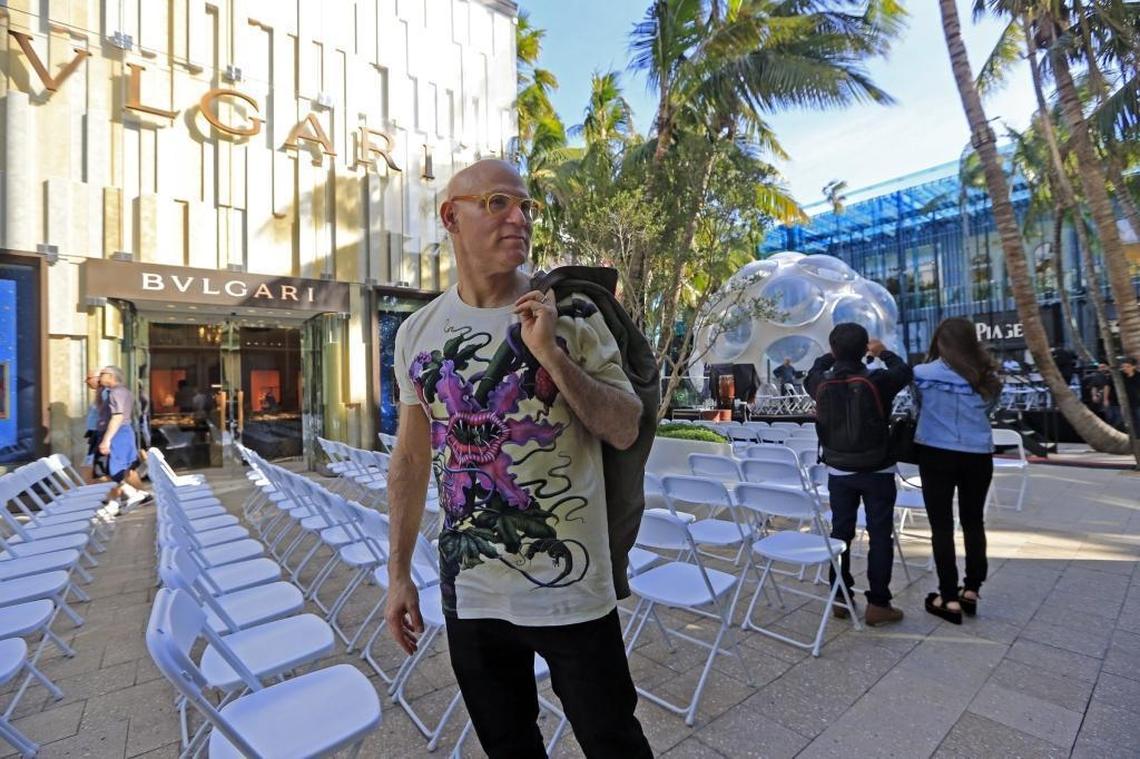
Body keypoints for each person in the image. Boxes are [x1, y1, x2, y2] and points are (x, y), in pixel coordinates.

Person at [384, 159, 652, 758]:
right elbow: (410, 457)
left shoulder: (572, 316)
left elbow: (626, 427)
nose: (520, 218)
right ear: (453, 216)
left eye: (526, 206)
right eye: (499, 202)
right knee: (507, 745)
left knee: (614, 741)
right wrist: (399, 572)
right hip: (469, 588)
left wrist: (552, 355)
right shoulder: (417, 333)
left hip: (572, 587)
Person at [805, 323, 913, 627]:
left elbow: (814, 369)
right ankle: (879, 602)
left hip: (839, 469)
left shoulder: (820, 383)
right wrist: (883, 353)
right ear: (865, 347)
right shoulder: (879, 380)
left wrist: (830, 357)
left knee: (841, 532)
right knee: (880, 534)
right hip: (878, 468)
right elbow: (904, 371)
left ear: (833, 348)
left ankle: (840, 594)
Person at [913, 318, 1002, 624]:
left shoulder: (921, 374)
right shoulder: (987, 377)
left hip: (936, 452)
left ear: (939, 341)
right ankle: (972, 589)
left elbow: (916, 407)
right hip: (977, 454)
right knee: (973, 521)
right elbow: (990, 411)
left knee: (941, 526)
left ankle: (948, 596)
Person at [97, 366, 151, 514]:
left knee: (114, 470)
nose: (100, 377)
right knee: (121, 469)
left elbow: (118, 416)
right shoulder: (124, 392)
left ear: (111, 376)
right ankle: (119, 501)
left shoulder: (116, 393)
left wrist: (106, 440)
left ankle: (135, 494)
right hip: (124, 433)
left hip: (118, 434)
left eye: (102, 374)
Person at [81, 372, 108, 482]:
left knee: (92, 466)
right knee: (92, 465)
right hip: (96, 434)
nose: (86, 382)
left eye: (88, 378)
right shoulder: (100, 392)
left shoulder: (105, 392)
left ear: (98, 378)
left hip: (100, 434)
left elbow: (109, 414)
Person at [1121, 357, 1140, 432]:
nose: (1125, 368)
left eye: (1127, 366)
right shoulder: (1121, 376)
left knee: (1138, 420)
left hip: (1137, 403)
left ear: (1134, 366)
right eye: (1123, 366)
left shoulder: (1138, 376)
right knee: (1129, 422)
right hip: (1126, 402)